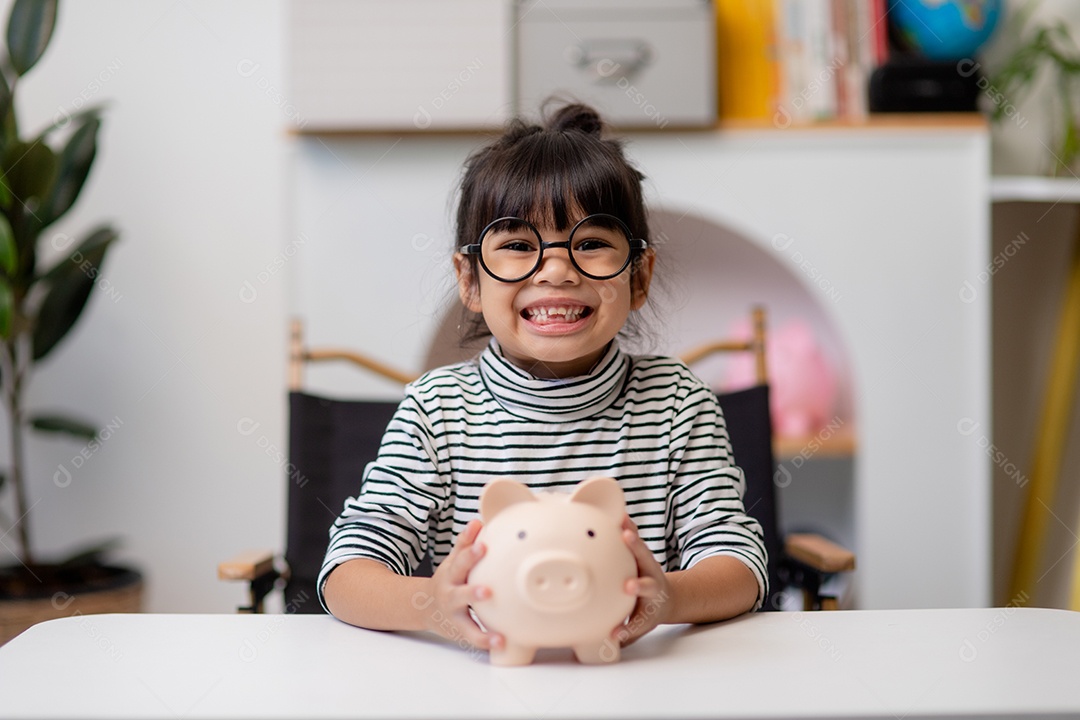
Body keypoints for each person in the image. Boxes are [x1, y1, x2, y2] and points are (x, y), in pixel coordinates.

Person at [319, 102, 767, 655]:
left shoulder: (679, 404)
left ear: (640, 275)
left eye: (591, 243)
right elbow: (346, 574)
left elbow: (739, 565)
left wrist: (670, 599)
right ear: (471, 280)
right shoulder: (436, 410)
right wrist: (430, 604)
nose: (556, 269)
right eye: (517, 246)